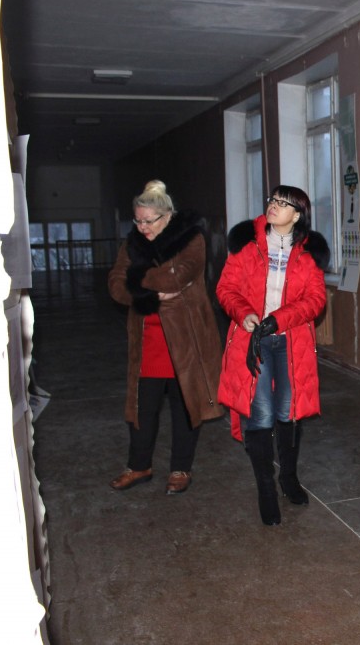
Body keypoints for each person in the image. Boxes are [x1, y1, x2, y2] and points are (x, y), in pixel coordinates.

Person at [217, 186, 329, 526]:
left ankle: (289, 478)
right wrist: (245, 315)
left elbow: (315, 300)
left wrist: (278, 320)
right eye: (273, 200)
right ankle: (266, 489)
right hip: (253, 341)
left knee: (288, 412)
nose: (274, 206)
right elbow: (226, 289)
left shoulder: (308, 252)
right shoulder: (246, 244)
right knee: (261, 413)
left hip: (291, 341)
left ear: (297, 215)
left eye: (283, 203)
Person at [108, 180, 224, 494]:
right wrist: (149, 294)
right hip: (146, 340)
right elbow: (116, 284)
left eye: (149, 221)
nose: (142, 227)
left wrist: (136, 280)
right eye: (138, 221)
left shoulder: (191, 239)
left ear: (167, 215)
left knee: (185, 407)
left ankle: (180, 469)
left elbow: (179, 276)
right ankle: (139, 466)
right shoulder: (133, 244)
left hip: (185, 339)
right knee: (141, 408)